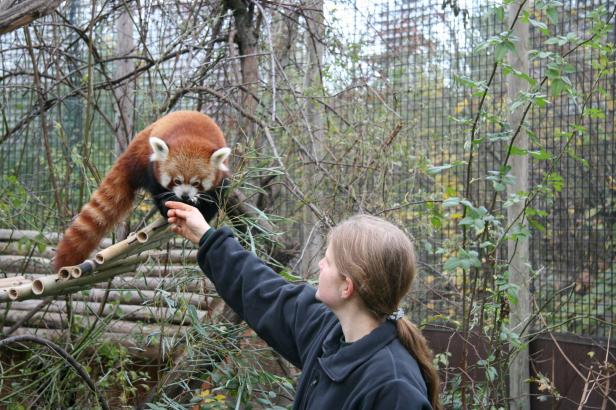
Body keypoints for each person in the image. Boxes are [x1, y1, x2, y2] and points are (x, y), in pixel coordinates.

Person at [166, 200, 441, 409]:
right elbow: (264, 292)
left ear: (347, 286)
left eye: (328, 261)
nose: (320, 264)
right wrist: (207, 236)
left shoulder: (393, 386)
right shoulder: (330, 329)